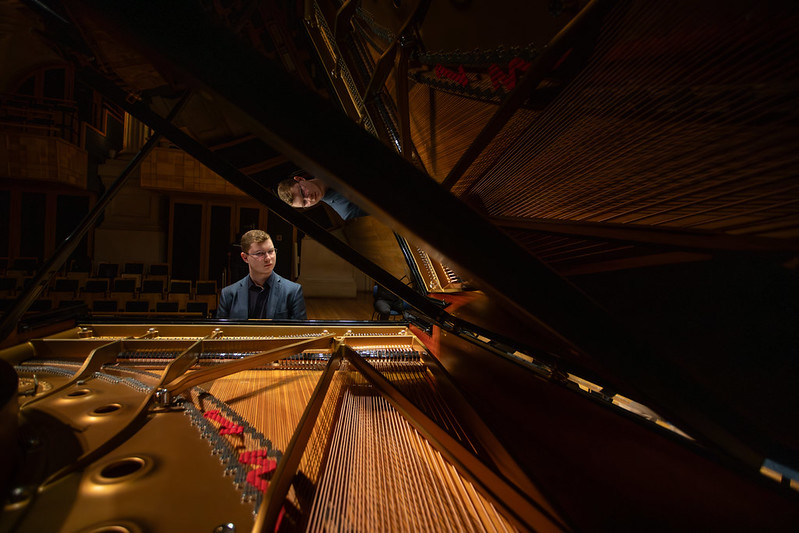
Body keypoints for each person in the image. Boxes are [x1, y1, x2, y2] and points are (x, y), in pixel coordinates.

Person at [216, 229, 307, 320]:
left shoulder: (293, 291)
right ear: (245, 258)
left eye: (271, 251)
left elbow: (299, 333)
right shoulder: (228, 294)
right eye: (260, 253)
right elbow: (222, 331)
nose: (268, 258)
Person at [277, 174, 367, 221]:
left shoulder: (322, 162)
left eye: (302, 192)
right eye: (304, 203)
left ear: (300, 179)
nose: (309, 198)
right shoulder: (347, 211)